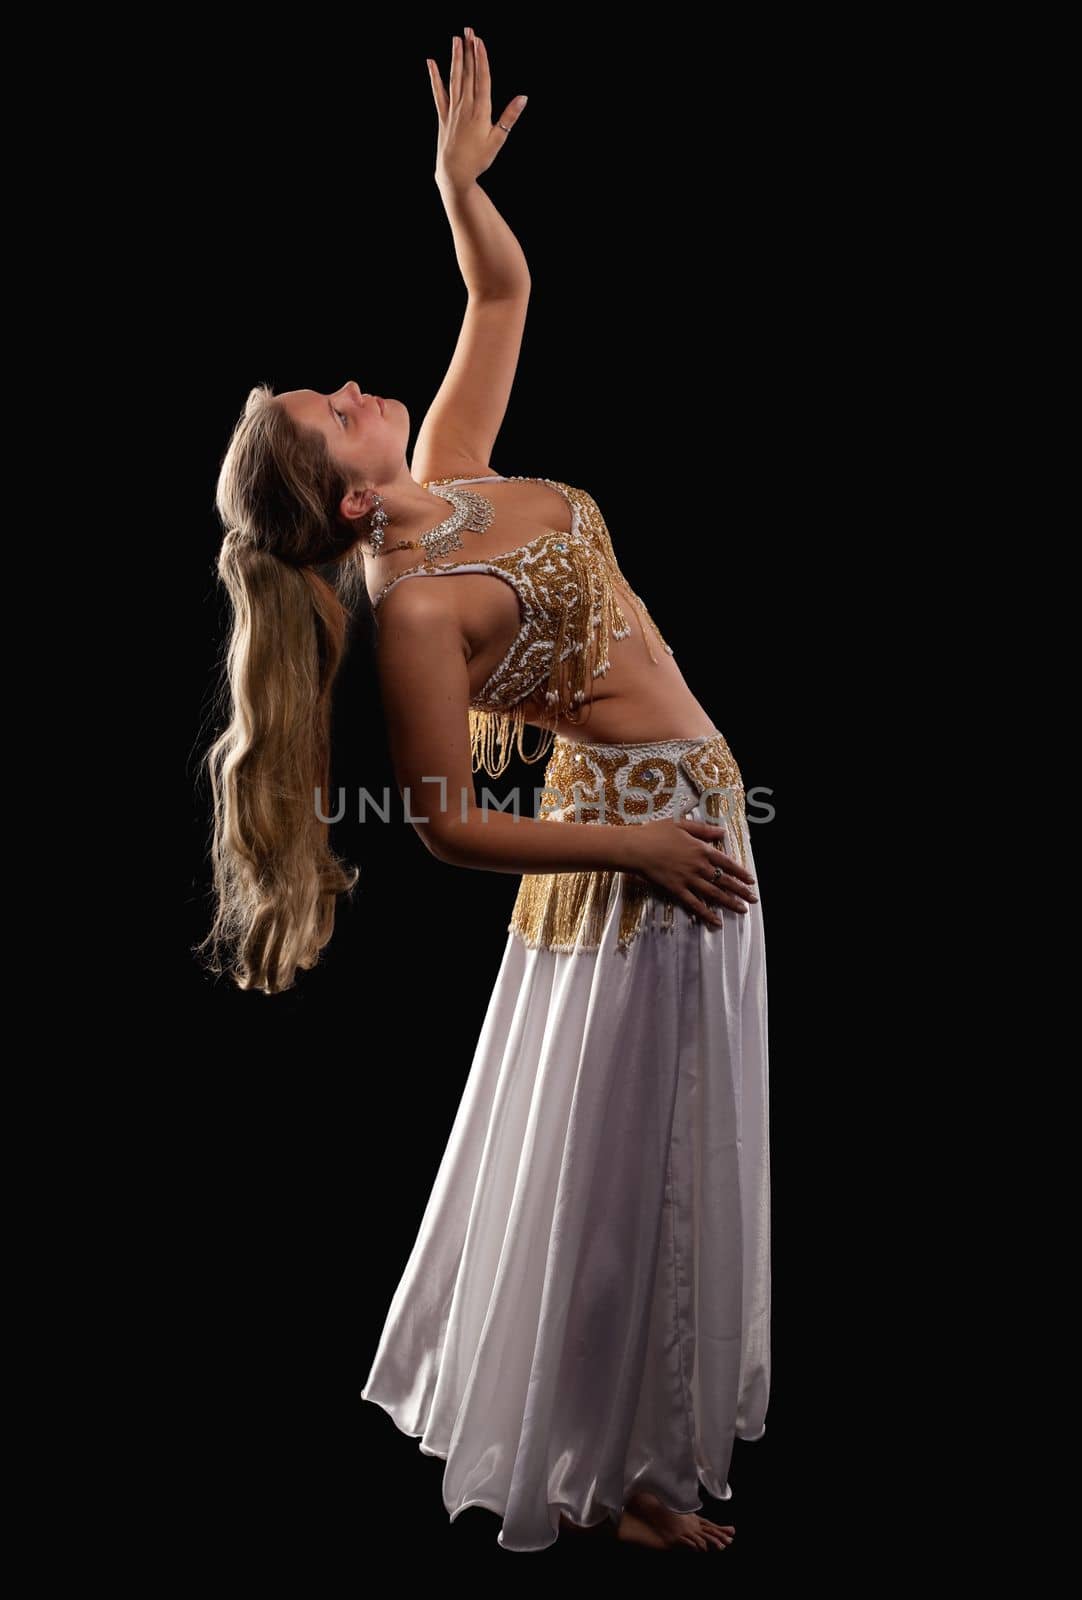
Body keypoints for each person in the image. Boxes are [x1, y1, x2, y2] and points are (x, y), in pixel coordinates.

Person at [196, 29, 768, 1554]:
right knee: (635, 1164)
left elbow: (500, 293)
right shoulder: (418, 614)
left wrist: (456, 188)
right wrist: (642, 842)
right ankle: (618, 1475)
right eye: (332, 410)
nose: (353, 385)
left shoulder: (449, 465)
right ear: (349, 494)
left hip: (666, 817)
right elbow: (444, 821)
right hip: (646, 841)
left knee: (663, 1150)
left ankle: (636, 1460)